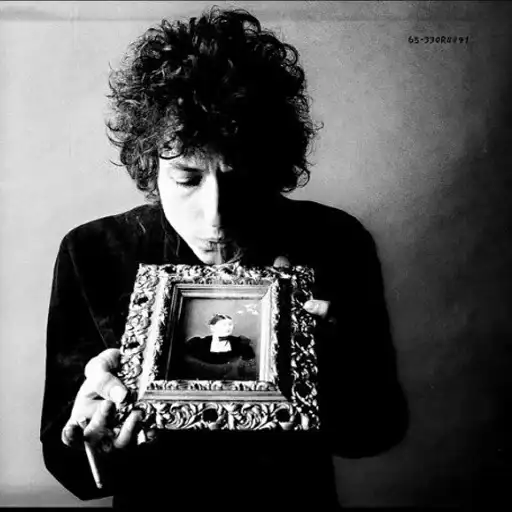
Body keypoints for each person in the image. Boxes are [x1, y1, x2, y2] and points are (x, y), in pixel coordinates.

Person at [40, 6, 408, 510]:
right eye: (187, 179)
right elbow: (73, 472)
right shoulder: (92, 252)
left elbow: (379, 431)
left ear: (272, 167)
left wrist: (334, 364)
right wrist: (89, 434)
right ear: (150, 168)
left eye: (239, 180)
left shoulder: (334, 240)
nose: (215, 215)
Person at [171, 314, 257, 381]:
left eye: (230, 324)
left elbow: (249, 371)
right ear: (212, 328)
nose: (228, 328)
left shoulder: (241, 344)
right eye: (224, 325)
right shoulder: (197, 344)